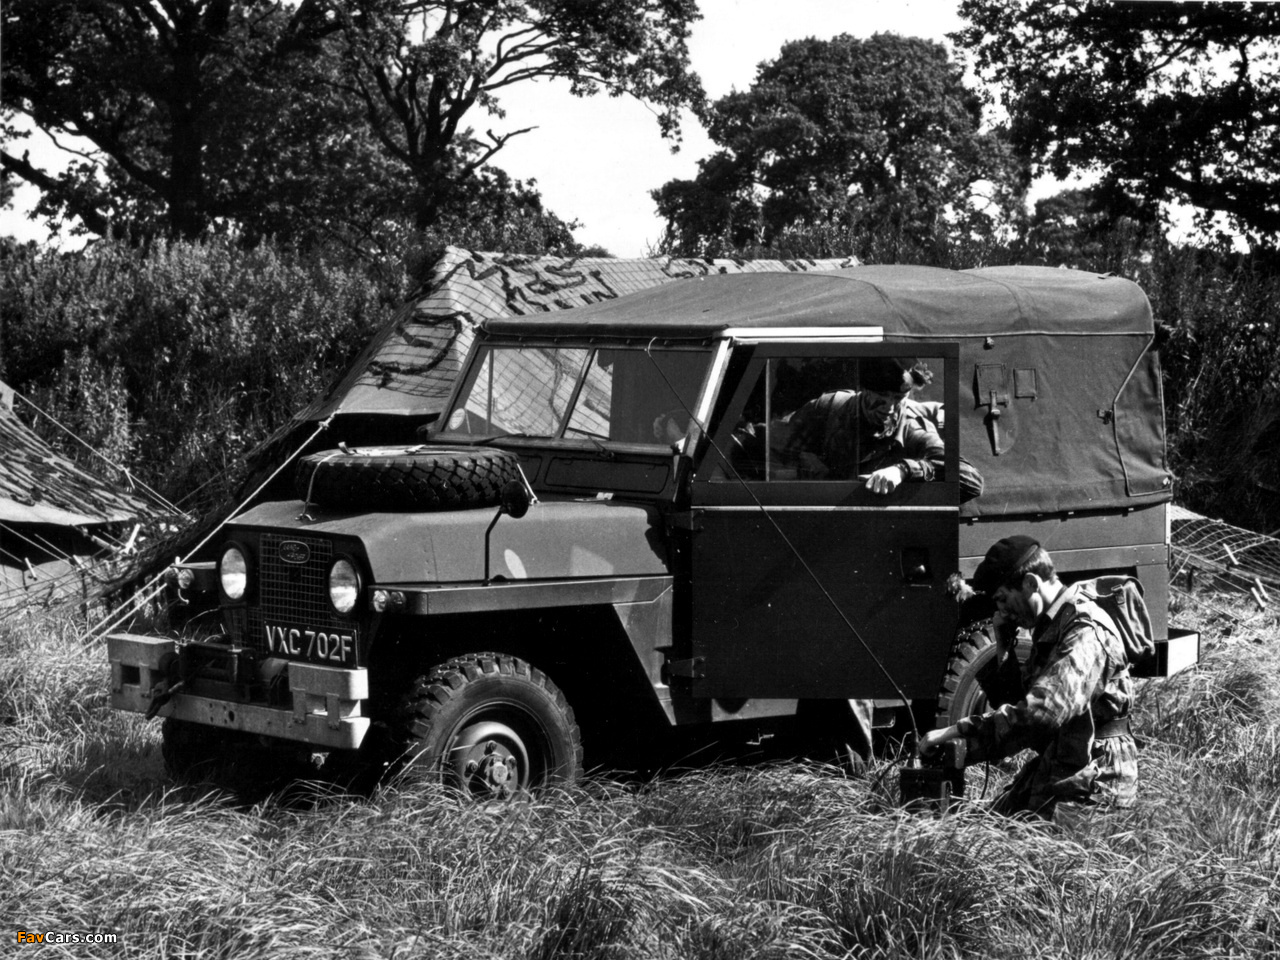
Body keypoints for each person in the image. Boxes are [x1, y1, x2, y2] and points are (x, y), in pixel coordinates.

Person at [918, 535, 1139, 821]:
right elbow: (1018, 703)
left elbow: (1039, 715)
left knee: (1000, 842)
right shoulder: (1053, 624)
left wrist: (957, 731)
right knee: (980, 828)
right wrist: (1003, 644)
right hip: (1065, 761)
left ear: (1031, 583)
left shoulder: (1084, 630)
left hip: (1095, 779)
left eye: (1003, 599)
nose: (1001, 611)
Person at [784, 357, 982, 498]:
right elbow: (774, 448)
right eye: (881, 398)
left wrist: (903, 470)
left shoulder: (912, 426)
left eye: (898, 398)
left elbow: (971, 480)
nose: (890, 408)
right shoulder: (829, 407)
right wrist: (802, 467)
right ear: (863, 390)